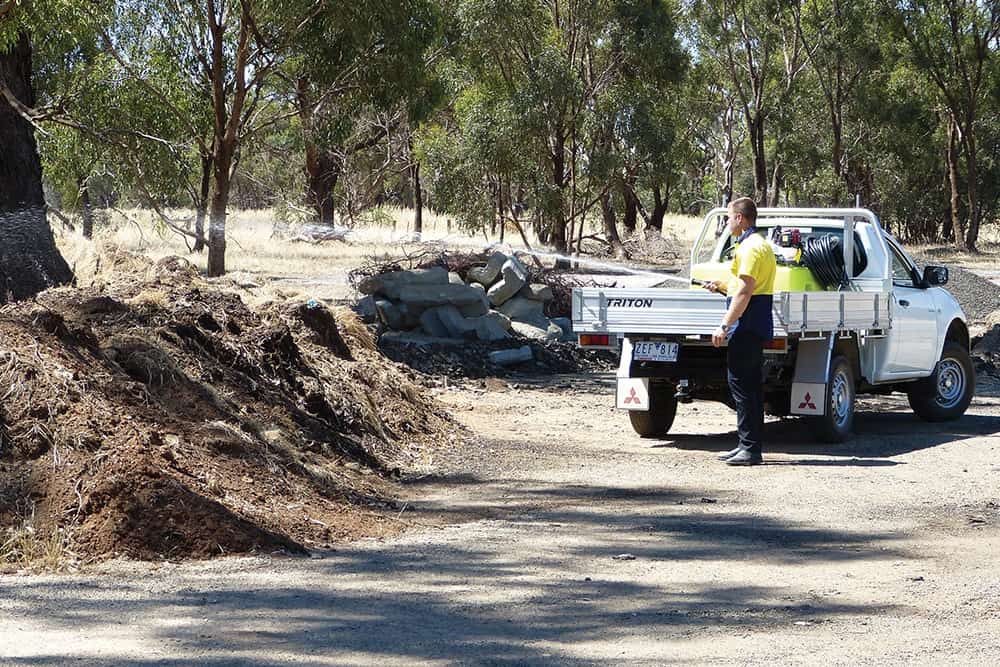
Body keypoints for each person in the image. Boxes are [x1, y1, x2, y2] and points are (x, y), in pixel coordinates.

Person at [703, 197, 776, 466]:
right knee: (749, 387)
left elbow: (746, 292)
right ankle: (747, 445)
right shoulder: (758, 245)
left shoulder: (750, 249)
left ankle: (750, 448)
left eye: (728, 217)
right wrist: (721, 285)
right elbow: (744, 286)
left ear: (740, 219)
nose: (726, 223)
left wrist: (724, 325)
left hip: (746, 325)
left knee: (742, 386)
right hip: (754, 323)